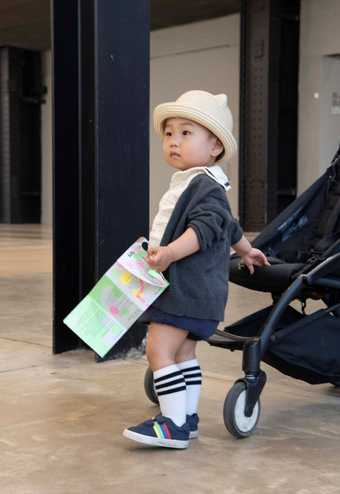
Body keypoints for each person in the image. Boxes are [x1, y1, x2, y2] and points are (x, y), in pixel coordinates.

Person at [123, 90, 269, 449]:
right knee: (184, 353)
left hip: (186, 289)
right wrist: (247, 251)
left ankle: (172, 424)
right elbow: (230, 227)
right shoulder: (201, 182)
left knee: (158, 350)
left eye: (186, 133)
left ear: (215, 146)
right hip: (199, 292)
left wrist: (170, 253)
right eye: (169, 133)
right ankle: (187, 418)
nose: (173, 141)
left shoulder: (203, 186)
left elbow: (205, 230)